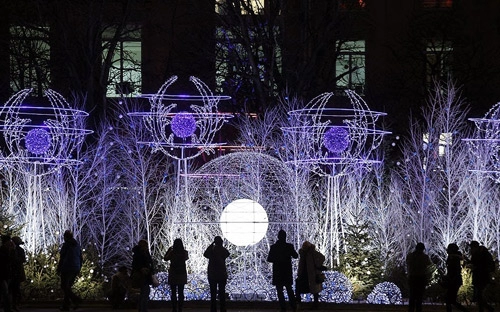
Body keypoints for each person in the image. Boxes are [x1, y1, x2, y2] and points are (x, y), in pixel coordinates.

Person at [267, 230, 298, 312]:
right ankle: (293, 306)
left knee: (279, 291)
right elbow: (295, 256)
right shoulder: (289, 246)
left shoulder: (274, 247)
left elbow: (269, 259)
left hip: (278, 272)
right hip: (287, 272)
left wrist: (277, 259)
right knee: (289, 289)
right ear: (285, 237)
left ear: (278, 237)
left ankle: (283, 307)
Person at [57, 230, 83, 311]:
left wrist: (59, 268)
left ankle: (76, 300)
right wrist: (79, 267)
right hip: (75, 267)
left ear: (66, 237)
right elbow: (81, 257)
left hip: (67, 267)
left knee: (64, 286)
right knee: (68, 287)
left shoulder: (66, 245)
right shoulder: (77, 245)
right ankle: (66, 306)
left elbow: (62, 258)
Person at [295, 241, 325, 309]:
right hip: (309, 274)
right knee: (314, 290)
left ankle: (301, 304)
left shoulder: (306, 253)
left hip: (308, 274)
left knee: (303, 289)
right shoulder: (308, 253)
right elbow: (322, 257)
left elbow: (322, 257)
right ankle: (314, 304)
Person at [203, 236, 230, 312]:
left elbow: (205, 254)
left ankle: (213, 309)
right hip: (222, 273)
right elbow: (227, 254)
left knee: (213, 293)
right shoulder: (223, 250)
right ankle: (223, 308)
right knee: (222, 292)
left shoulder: (212, 250)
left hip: (212, 274)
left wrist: (211, 245)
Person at [406, 242, 433, 312]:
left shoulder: (410, 256)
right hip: (421, 278)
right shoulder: (425, 257)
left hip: (412, 277)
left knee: (412, 296)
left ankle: (411, 310)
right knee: (419, 297)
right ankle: (418, 310)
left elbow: (408, 263)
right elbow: (429, 265)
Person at [469, 240, 495, 312]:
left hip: (483, 277)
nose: (471, 249)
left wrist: (476, 267)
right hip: (478, 277)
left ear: (475, 247)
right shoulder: (476, 254)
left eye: (472, 248)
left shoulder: (484, 254)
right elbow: (474, 263)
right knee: (479, 296)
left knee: (479, 296)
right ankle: (485, 309)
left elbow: (484, 265)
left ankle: (489, 309)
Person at [164, 238, 189, 312]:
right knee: (181, 292)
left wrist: (168, 250)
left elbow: (165, 258)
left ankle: (174, 308)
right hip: (182, 273)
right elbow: (186, 258)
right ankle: (180, 308)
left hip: (173, 273)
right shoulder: (184, 252)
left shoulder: (172, 252)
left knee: (173, 292)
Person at [443, 243, 468, 312]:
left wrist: (450, 279)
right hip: (454, 280)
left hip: (454, 280)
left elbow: (454, 270)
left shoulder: (454, 258)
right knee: (451, 300)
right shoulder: (454, 257)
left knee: (449, 300)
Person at [131, 239, 154, 312]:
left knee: (144, 292)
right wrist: (142, 269)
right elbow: (135, 265)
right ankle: (143, 309)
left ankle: (142, 309)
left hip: (145, 275)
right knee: (145, 292)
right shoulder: (140, 254)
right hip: (141, 275)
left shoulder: (143, 253)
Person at [10, 236, 26, 312]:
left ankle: (15, 303)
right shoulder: (16, 250)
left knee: (15, 289)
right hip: (16, 271)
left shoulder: (16, 250)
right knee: (15, 289)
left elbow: (22, 260)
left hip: (15, 272)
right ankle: (15, 304)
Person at [0, 235, 15, 312]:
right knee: (5, 292)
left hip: (6, 274)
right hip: (3, 275)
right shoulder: (3, 250)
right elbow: (7, 261)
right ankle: (7, 309)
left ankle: (7, 308)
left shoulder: (6, 250)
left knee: (6, 292)